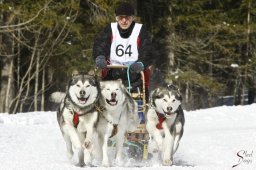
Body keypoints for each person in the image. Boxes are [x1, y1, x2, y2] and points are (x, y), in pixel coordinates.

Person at [93, 2, 155, 96]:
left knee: (139, 98)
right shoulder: (111, 29)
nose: (124, 21)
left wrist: (141, 63)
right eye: (120, 18)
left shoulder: (140, 30)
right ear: (116, 18)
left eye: (127, 17)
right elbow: (101, 44)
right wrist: (100, 57)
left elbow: (147, 49)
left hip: (134, 75)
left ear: (133, 18)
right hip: (112, 74)